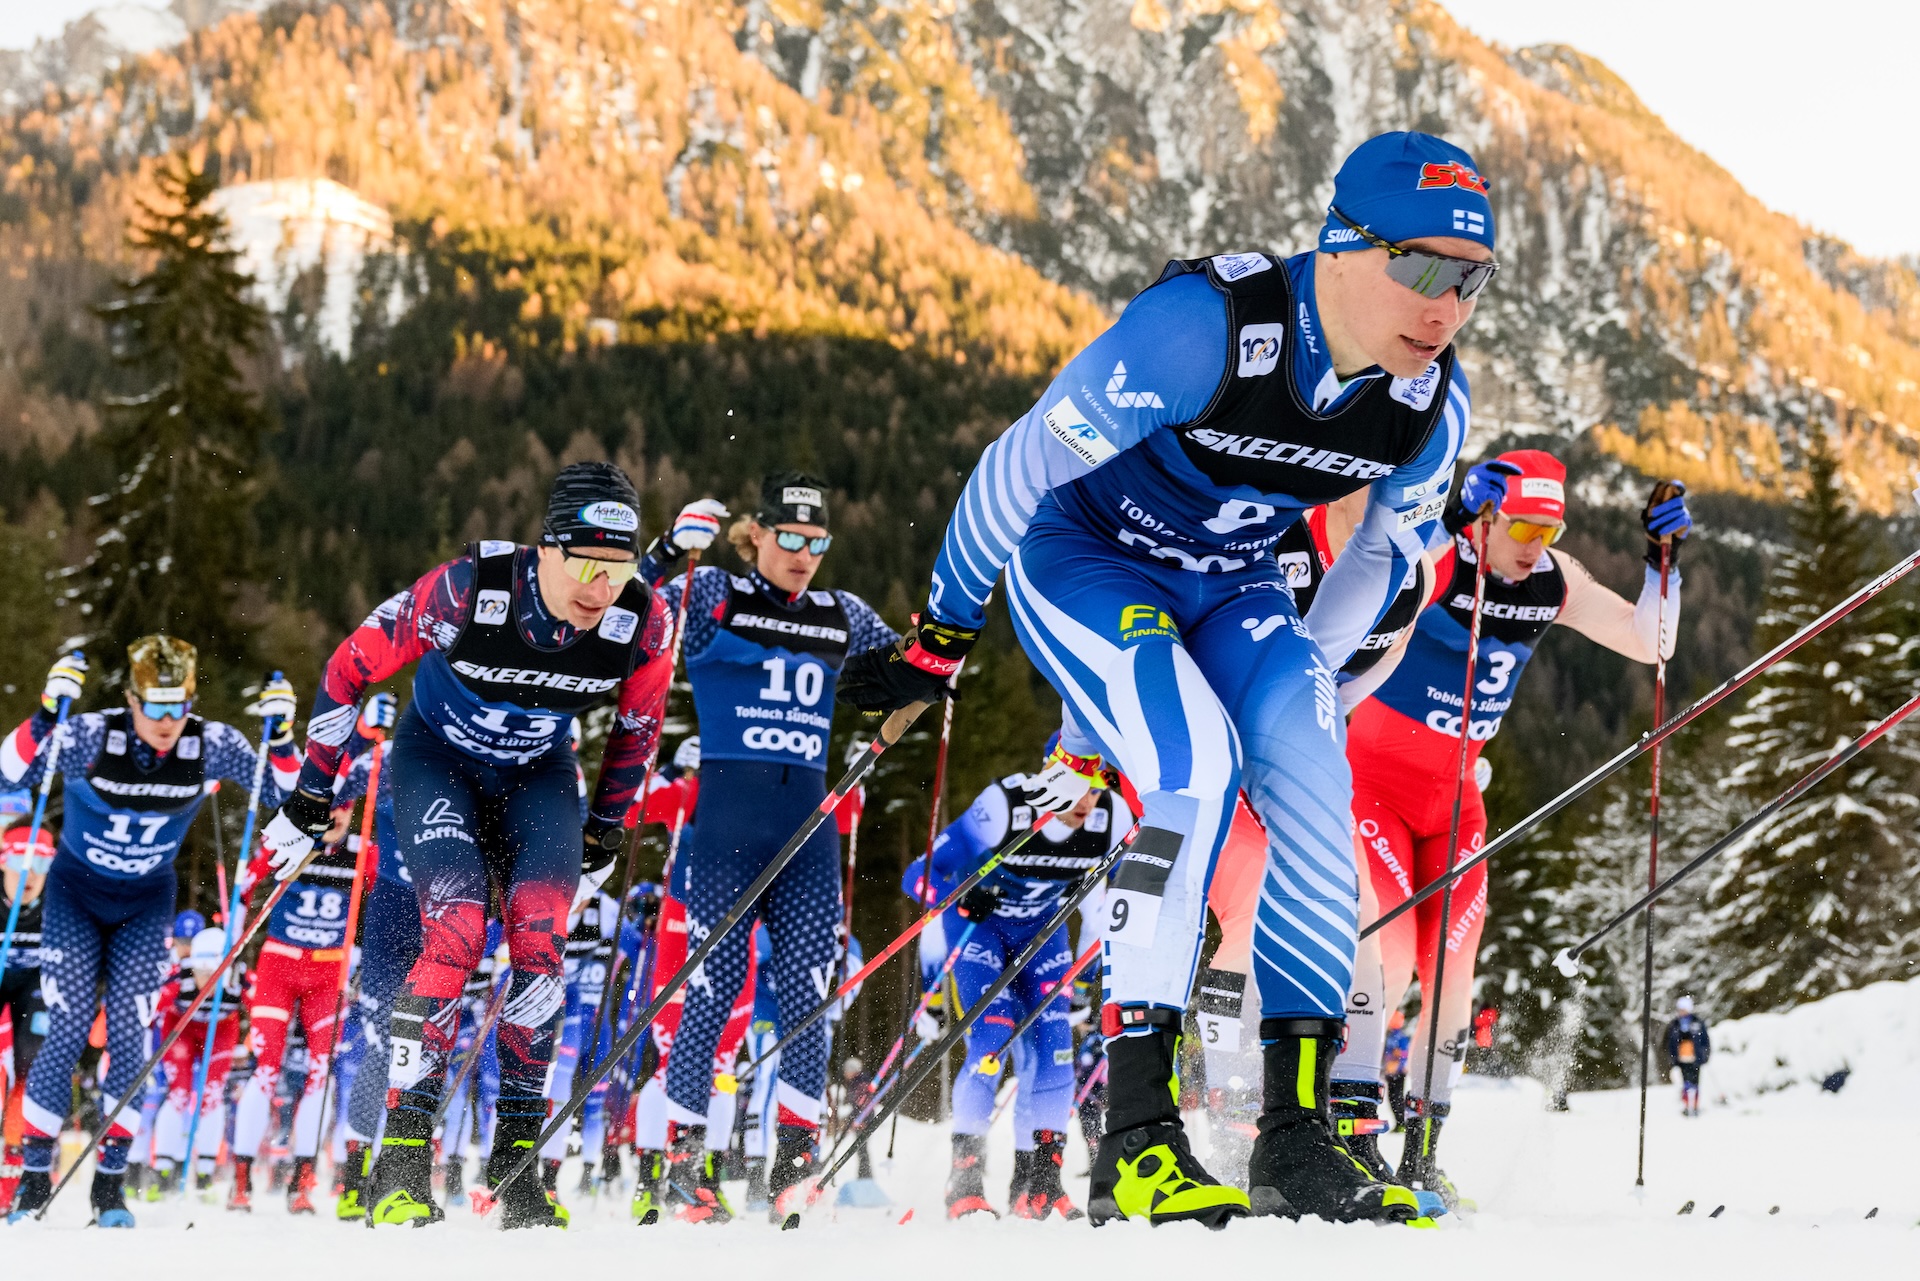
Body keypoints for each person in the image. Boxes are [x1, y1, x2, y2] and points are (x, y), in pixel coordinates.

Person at [838, 131, 1498, 1226]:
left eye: (1471, 279)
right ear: (1341, 247)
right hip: (1088, 561)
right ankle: (1138, 1140)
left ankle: (1296, 1135)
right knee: (1192, 763)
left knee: (1311, 773)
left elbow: (1387, 554)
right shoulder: (1209, 329)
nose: (1446, 306)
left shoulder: (1430, 405)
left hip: (1234, 587)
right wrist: (940, 640)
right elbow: (1017, 467)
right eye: (1421, 268)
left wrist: (1308, 680)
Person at [262, 461, 676, 1230]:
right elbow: (348, 666)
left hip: (538, 777)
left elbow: (638, 728)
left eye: (618, 569)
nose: (601, 587)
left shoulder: (642, 620)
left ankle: (518, 1173)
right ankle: (402, 1164)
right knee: (455, 922)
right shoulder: (471, 589)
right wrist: (311, 793)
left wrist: (606, 827)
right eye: (586, 564)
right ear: (546, 548)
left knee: (542, 941)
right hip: (437, 762)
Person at [1335, 450, 1687, 1205]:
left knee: (1453, 973)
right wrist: (1453, 524)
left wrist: (1662, 566)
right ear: (1490, 517)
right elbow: (1378, 602)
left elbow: (1648, 641)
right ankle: (1350, 1137)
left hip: (1457, 804)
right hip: (1376, 787)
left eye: (1549, 526)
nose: (1534, 543)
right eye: (1522, 524)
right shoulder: (1445, 559)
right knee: (1386, 959)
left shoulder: (1553, 580)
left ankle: (1421, 1158)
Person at [639, 474, 897, 1224]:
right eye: (791, 539)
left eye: (819, 543)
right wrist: (663, 553)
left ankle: (792, 1161)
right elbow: (629, 613)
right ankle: (685, 1163)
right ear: (757, 533)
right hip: (725, 829)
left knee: (810, 999)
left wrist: (935, 654)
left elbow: (910, 674)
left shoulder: (843, 612)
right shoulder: (717, 589)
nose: (805, 555)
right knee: (712, 993)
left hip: (807, 831)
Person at [2, 638, 299, 1226]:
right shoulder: (92, 734)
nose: (167, 723)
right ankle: (34, 1181)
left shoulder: (209, 743)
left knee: (134, 1038)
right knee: (65, 1027)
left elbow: (286, 791)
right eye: (155, 707)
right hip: (75, 897)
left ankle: (110, 1187)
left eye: (179, 707)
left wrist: (283, 736)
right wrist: (45, 712)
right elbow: (12, 769)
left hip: (144, 904)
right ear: (132, 698)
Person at [915, 752, 1130, 1220]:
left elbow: (1105, 901)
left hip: (1042, 934)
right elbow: (921, 874)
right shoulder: (1006, 805)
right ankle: (965, 1184)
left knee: (1056, 1055)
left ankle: (1038, 1187)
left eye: (1096, 788)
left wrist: (1090, 980)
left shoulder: (1111, 818)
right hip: (980, 931)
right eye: (1077, 786)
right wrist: (960, 894)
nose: (1087, 801)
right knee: (991, 1042)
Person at [0, 823, 54, 1213]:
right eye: (20, 860)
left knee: (31, 1063)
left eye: (41, 862)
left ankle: (16, 1161)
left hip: (34, 990)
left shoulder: (57, 903)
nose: (30, 872)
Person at [1664, 996, 1710, 1117]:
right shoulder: (1675, 1025)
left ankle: (1695, 1106)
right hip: (1681, 1059)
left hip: (1695, 1058)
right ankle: (1686, 1105)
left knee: (1695, 1083)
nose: (1682, 1011)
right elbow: (1670, 1043)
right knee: (1685, 1083)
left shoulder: (1697, 1023)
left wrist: (1705, 1055)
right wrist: (1672, 1058)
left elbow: (1705, 1040)